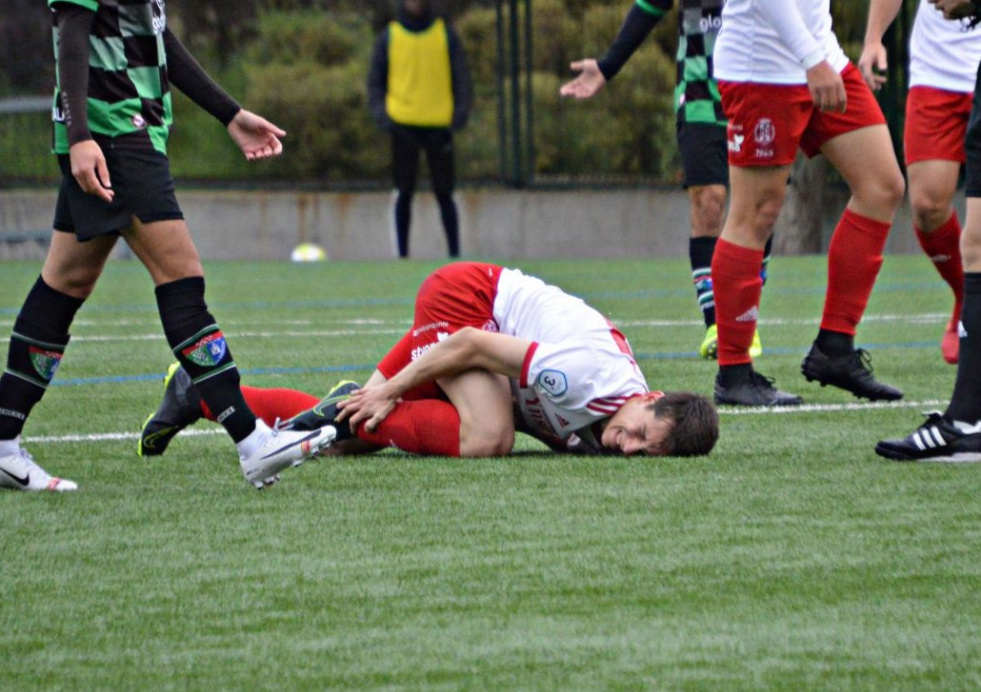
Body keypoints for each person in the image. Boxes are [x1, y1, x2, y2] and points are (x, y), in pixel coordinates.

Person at [0, 0, 336, 493]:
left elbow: (156, 36)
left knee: (66, 281)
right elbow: (71, 29)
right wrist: (79, 137)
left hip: (129, 131)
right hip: (114, 132)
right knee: (181, 274)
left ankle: (3, 442)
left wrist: (231, 114)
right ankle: (250, 439)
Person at [139, 262, 720, 460]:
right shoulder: (584, 380)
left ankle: (200, 394)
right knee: (488, 437)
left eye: (648, 452)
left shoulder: (615, 412)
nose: (630, 446)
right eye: (641, 433)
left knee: (347, 440)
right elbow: (469, 344)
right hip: (465, 305)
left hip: (480, 342)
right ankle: (362, 401)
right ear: (648, 396)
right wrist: (392, 389)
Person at [708, 0, 907, 406]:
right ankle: (734, 373)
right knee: (756, 213)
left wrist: (868, 41)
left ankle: (834, 347)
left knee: (882, 186)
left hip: (823, 57)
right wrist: (811, 59)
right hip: (761, 68)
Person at [559, 0, 768, 361]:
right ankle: (717, 323)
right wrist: (608, 66)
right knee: (708, 200)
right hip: (700, 90)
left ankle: (743, 317)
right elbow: (650, 6)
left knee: (761, 206)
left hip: (761, 88)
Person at [877, 0, 981, 461]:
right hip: (941, 77)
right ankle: (965, 418)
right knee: (968, 240)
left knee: (976, 246)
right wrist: (873, 37)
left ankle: (963, 419)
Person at [367, 0, 472, 259]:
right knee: (403, 193)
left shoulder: (445, 34)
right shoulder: (389, 36)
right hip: (402, 126)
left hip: (439, 125)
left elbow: (462, 78)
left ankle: (454, 255)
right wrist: (383, 117)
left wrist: (459, 115)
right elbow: (375, 82)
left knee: (445, 194)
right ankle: (402, 256)